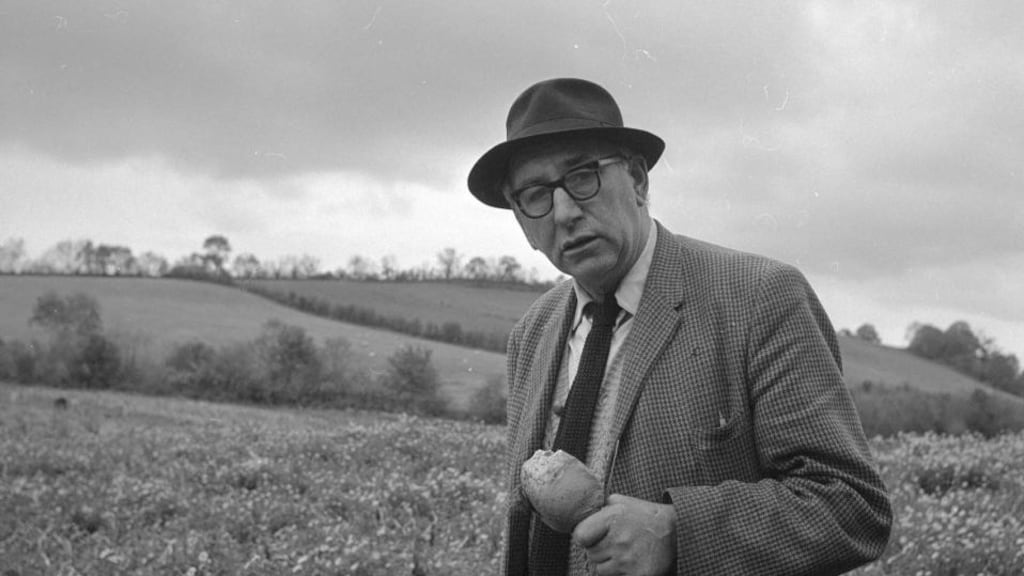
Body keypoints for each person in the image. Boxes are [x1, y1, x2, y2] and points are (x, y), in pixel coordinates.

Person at [467, 77, 892, 576]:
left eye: (583, 177)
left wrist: (678, 531)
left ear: (639, 180)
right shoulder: (532, 332)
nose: (563, 212)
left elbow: (851, 507)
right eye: (535, 195)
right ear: (522, 223)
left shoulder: (760, 296)